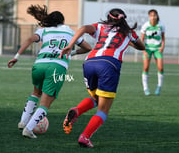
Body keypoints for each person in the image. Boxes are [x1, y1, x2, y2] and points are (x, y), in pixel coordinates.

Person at [59, 8, 145, 148]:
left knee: (96, 98)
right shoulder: (128, 32)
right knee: (103, 110)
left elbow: (83, 28)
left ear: (109, 17)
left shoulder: (100, 26)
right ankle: (84, 137)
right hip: (109, 64)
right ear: (123, 19)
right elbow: (142, 46)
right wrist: (128, 41)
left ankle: (77, 111)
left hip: (89, 62)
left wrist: (70, 46)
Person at [7, 4, 91, 139]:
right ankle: (28, 129)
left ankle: (23, 122)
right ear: (63, 21)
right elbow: (88, 47)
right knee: (45, 103)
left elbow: (29, 40)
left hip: (39, 65)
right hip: (56, 67)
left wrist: (16, 57)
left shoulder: (44, 30)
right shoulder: (70, 31)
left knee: (36, 92)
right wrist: (70, 52)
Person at [141, 9, 165, 96]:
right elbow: (142, 39)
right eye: (151, 15)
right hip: (147, 49)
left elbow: (163, 38)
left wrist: (162, 46)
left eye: (154, 15)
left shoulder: (161, 25)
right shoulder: (145, 26)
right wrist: (143, 50)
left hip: (157, 49)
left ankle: (159, 86)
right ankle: (145, 88)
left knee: (160, 68)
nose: (153, 17)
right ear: (149, 16)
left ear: (157, 15)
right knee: (146, 68)